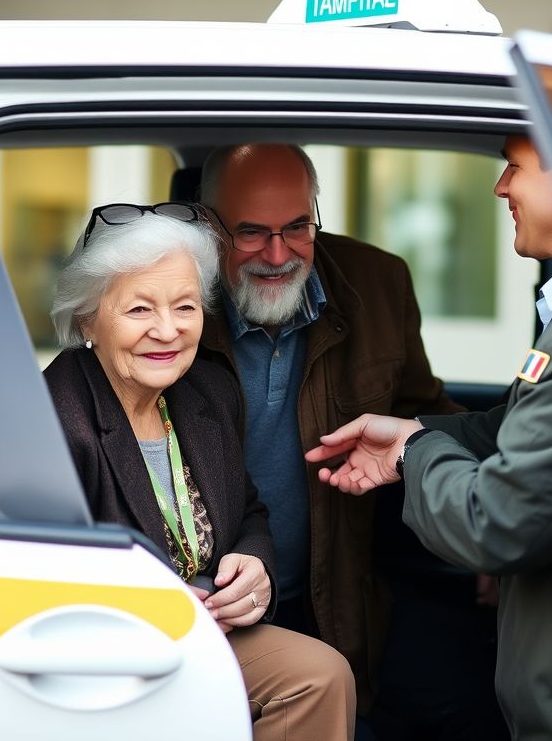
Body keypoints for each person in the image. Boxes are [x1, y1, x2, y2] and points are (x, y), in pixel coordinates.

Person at [306, 135, 552, 740]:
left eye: (514, 168)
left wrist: (414, 452)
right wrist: (415, 430)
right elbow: (516, 429)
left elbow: (496, 521)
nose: (500, 187)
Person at [44, 202, 355, 741]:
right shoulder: (53, 419)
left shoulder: (209, 393)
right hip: (106, 647)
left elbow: (248, 512)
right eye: (140, 310)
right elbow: (37, 574)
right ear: (87, 318)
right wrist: (148, 603)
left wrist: (254, 566)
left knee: (320, 676)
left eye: (185, 307)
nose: (168, 331)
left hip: (203, 629)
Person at [196, 144, 463, 713]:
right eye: (251, 233)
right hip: (203, 614)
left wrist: (486, 518)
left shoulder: (378, 284)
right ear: (208, 228)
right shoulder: (169, 299)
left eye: (297, 227)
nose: (278, 253)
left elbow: (426, 415)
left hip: (334, 607)